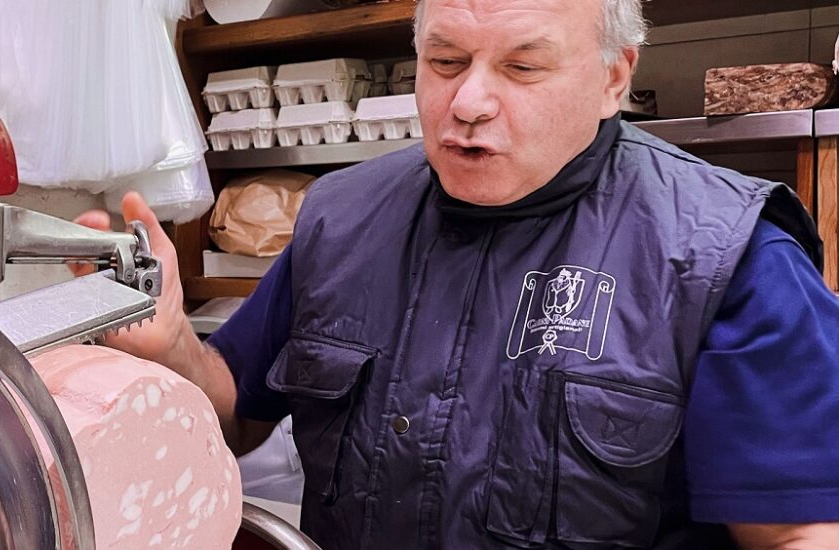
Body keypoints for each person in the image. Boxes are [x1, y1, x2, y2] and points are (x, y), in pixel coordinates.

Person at [74, 0, 839, 547]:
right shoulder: (342, 217)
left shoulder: (730, 255)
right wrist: (174, 345)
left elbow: (796, 530)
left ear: (614, 78)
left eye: (522, 66)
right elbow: (236, 412)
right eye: (444, 62)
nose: (467, 101)